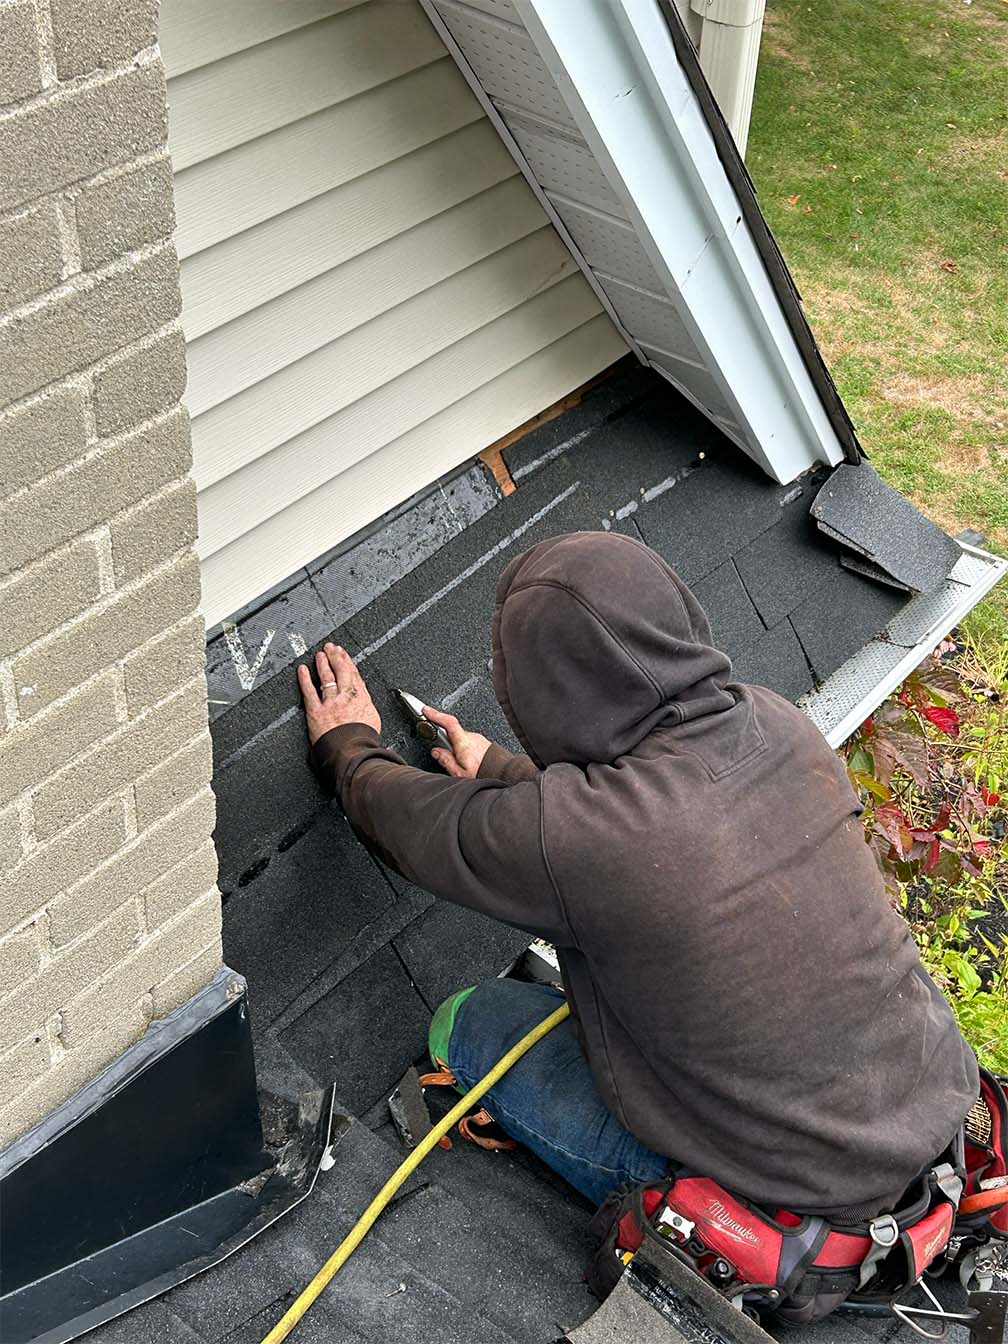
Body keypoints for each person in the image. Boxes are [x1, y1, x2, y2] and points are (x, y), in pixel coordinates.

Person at [298, 531, 978, 1214]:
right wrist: (501, 771)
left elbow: (413, 828)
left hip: (788, 1198)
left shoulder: (583, 841)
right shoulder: (775, 723)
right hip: (932, 1101)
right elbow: (654, 819)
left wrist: (347, 747)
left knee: (469, 1022)